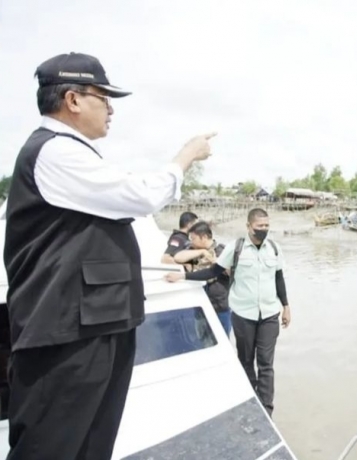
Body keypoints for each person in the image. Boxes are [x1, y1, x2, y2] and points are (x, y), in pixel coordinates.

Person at [2, 51, 217, 460]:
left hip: (97, 323)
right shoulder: (54, 151)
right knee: (52, 447)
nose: (111, 109)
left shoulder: (72, 153)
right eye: (104, 97)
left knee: (90, 446)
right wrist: (186, 156)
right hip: (67, 333)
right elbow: (139, 195)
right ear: (73, 99)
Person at [165, 208, 290, 417]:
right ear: (249, 226)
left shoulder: (274, 249)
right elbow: (213, 271)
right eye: (260, 226)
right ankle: (253, 403)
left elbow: (279, 278)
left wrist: (285, 306)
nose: (264, 230)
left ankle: (266, 411)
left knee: (266, 365)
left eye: (267, 226)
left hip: (269, 315)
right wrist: (183, 278)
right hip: (243, 315)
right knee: (246, 361)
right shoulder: (236, 248)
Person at [186, 220, 233, 337]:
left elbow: (233, 273)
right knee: (201, 342)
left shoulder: (222, 251)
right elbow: (173, 258)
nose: (191, 241)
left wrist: (215, 262)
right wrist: (201, 252)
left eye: (193, 238)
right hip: (199, 306)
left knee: (222, 342)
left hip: (220, 308)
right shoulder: (193, 252)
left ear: (204, 237)